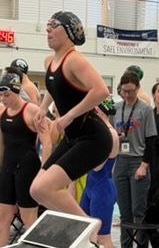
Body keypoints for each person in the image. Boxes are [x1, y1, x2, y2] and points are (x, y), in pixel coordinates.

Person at [29, 11, 113, 218]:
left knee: (48, 187)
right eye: (47, 24)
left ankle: (87, 227)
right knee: (36, 190)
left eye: (54, 25)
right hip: (72, 137)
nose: (48, 29)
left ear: (68, 32)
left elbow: (101, 90)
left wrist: (69, 116)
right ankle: (76, 226)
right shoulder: (51, 61)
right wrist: (42, 108)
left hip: (93, 138)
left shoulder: (74, 59)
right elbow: (55, 86)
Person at [112, 71, 157, 248]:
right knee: (124, 210)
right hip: (120, 161)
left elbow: (151, 141)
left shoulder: (145, 110)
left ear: (138, 89)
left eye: (131, 91)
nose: (128, 95)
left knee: (139, 209)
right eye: (124, 91)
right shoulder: (116, 108)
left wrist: (144, 165)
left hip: (138, 160)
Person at [0, 72, 51, 246]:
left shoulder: (32, 111)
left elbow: (47, 143)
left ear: (17, 91)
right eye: (1, 95)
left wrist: (44, 171)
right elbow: (1, 144)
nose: (4, 99)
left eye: (7, 95)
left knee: (28, 219)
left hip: (27, 168)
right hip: (7, 168)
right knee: (3, 216)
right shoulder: (1, 111)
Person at [79, 98, 119, 248]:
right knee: (84, 229)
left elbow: (97, 164)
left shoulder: (110, 134)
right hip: (91, 187)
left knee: (104, 237)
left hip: (102, 190)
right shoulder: (99, 133)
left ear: (100, 112)